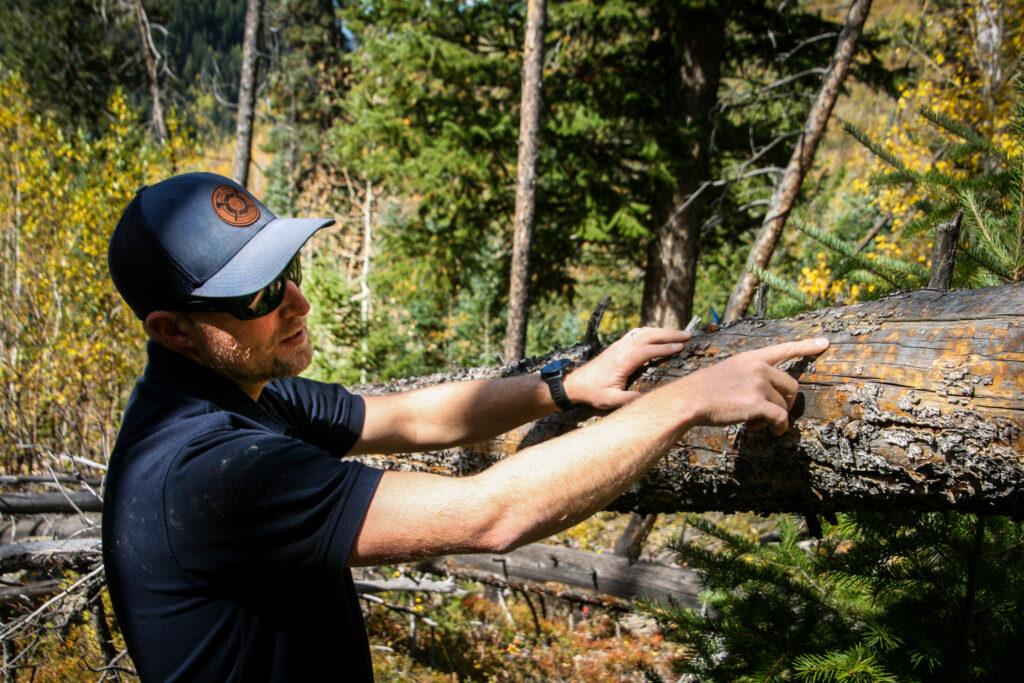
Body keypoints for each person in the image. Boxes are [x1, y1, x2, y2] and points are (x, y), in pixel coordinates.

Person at [104, 172, 828, 681]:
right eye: (258, 292)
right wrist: (685, 400)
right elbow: (488, 515)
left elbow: (412, 415)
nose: (297, 300)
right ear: (173, 329)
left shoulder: (243, 390)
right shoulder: (206, 470)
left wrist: (564, 384)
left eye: (287, 266)